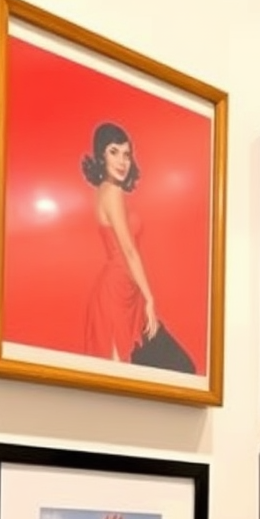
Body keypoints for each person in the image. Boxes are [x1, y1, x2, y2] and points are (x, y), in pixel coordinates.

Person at [82, 121, 195, 372]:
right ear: (101, 155)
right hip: (115, 296)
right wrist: (150, 298)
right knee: (119, 376)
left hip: (128, 291)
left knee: (161, 370)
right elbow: (128, 251)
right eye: (114, 152)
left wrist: (142, 296)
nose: (122, 161)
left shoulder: (107, 191)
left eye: (126, 154)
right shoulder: (111, 192)